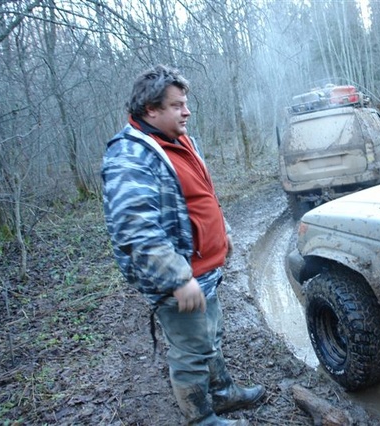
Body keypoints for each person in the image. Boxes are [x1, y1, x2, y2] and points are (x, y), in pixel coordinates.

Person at [102, 64, 264, 426]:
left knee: (210, 335)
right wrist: (177, 278)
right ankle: (201, 418)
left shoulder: (180, 140)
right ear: (151, 110)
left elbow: (201, 194)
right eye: (177, 106)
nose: (186, 112)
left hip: (204, 271)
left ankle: (222, 393)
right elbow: (135, 230)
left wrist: (223, 231)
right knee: (191, 350)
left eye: (185, 103)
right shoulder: (130, 156)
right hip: (178, 278)